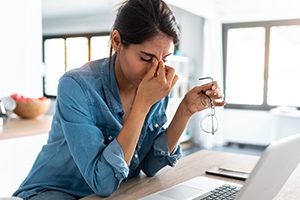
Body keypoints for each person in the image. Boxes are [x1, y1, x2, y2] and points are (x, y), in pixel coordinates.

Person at [13, 0, 225, 199]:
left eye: (165, 59)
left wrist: (185, 110)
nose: (157, 70)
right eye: (146, 58)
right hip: (54, 192)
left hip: (113, 193)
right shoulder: (75, 85)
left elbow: (150, 165)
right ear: (116, 41)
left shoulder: (154, 84)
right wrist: (142, 105)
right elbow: (102, 183)